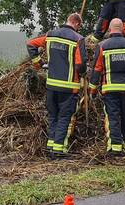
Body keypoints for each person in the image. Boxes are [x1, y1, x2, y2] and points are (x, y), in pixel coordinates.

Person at [26, 13, 88, 159]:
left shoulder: (51, 35)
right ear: (77, 24)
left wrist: (38, 62)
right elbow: (80, 65)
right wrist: (85, 73)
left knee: (53, 116)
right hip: (69, 87)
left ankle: (51, 147)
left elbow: (30, 44)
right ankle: (58, 151)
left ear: (68, 21)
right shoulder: (78, 39)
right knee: (64, 118)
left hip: (51, 86)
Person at [89, 18, 125, 156]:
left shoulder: (103, 46)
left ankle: (116, 149)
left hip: (110, 90)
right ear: (123, 29)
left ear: (110, 29)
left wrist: (93, 90)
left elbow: (97, 69)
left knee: (113, 118)